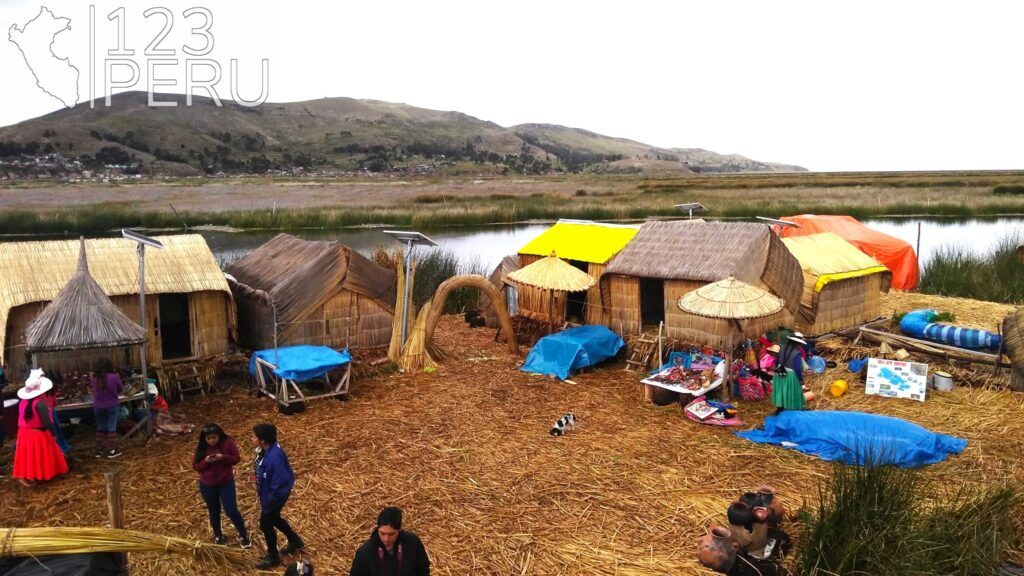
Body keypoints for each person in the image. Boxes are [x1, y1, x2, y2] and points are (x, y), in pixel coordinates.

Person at [252, 423, 304, 569]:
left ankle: (273, 557)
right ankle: (295, 540)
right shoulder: (268, 450)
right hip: (271, 495)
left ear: (262, 440)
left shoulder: (274, 457)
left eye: (254, 437)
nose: (252, 439)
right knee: (274, 518)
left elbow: (280, 482)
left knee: (265, 524)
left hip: (274, 497)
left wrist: (269, 501)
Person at [192, 423, 251, 548]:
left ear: (219, 435)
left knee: (232, 510)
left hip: (226, 483)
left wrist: (223, 457)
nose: (212, 441)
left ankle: (243, 535)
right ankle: (218, 535)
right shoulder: (202, 447)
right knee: (214, 511)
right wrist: (205, 462)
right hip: (207, 485)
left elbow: (236, 458)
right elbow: (196, 466)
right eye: (208, 438)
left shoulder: (227, 443)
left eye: (214, 437)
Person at [12, 371, 68, 486]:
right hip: (37, 433)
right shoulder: (40, 404)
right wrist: (54, 433)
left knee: (28, 456)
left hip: (23, 433)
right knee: (40, 455)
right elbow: (47, 422)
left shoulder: (22, 402)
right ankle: (41, 475)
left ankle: (28, 476)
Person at [349, 507, 430, 576]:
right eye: (382, 533)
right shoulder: (365, 552)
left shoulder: (412, 543)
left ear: (399, 530)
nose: (386, 539)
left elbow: (423, 569)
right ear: (378, 529)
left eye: (391, 534)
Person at [91, 359, 123, 459]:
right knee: (111, 427)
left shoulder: (94, 378)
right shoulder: (115, 377)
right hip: (112, 405)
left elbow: (94, 390)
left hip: (98, 406)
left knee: (100, 427)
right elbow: (120, 389)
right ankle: (111, 451)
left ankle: (98, 451)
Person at [771, 336, 808, 415]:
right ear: (797, 343)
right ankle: (795, 409)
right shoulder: (797, 353)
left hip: (779, 373)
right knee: (794, 391)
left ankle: (779, 409)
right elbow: (797, 368)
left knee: (781, 390)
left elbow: (776, 362)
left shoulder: (782, 349)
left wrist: (779, 370)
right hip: (790, 375)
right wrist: (801, 380)